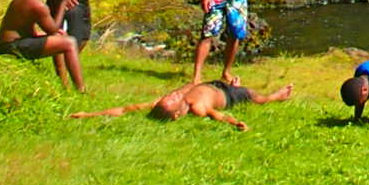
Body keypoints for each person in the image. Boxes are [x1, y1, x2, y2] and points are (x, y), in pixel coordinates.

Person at [71, 75, 293, 132]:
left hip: (212, 84)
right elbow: (219, 116)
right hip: (228, 96)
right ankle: (277, 96)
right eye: (173, 100)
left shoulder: (164, 101)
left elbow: (124, 109)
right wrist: (236, 123)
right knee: (257, 97)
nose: (173, 95)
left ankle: (232, 82)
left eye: (170, 96)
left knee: (226, 82)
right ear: (178, 113)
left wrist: (90, 114)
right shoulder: (198, 108)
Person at [0, 0, 85, 91]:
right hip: (11, 47)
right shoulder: (38, 5)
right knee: (70, 43)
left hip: (8, 42)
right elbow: (53, 29)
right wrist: (63, 2)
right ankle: (81, 90)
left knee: (61, 37)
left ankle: (64, 84)